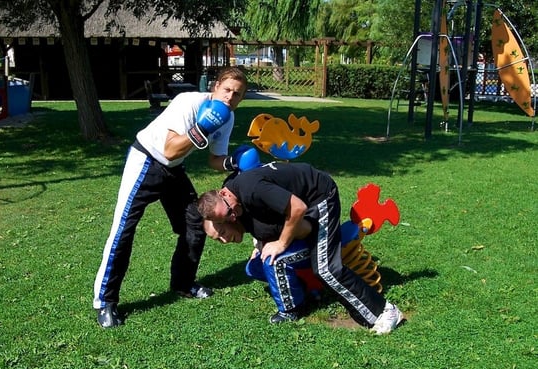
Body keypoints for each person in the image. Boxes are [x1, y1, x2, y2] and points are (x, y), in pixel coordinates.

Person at [93, 67, 248, 328]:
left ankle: (183, 283)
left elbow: (214, 159)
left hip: (173, 170)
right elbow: (170, 149)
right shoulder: (188, 103)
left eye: (237, 94)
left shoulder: (227, 118)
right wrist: (201, 127)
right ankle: (105, 302)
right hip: (146, 160)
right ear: (215, 87)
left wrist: (233, 162)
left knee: (194, 221)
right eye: (227, 90)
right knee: (123, 229)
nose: (230, 97)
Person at [197, 161, 404, 334]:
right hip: (302, 206)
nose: (233, 217)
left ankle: (385, 311)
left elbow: (298, 208)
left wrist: (281, 243)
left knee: (326, 268)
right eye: (226, 219)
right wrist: (261, 243)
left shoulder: (252, 189)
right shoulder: (232, 195)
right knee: (285, 261)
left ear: (223, 193)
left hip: (319, 196)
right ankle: (298, 301)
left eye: (230, 213)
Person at [203, 218, 325, 323]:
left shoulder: (253, 213)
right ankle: (299, 289)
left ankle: (291, 309)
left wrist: (280, 244)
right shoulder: (248, 222)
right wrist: (258, 247)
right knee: (253, 268)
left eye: (223, 232)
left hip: (314, 241)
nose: (224, 240)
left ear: (230, 219)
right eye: (218, 239)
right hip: (291, 244)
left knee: (272, 260)